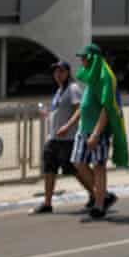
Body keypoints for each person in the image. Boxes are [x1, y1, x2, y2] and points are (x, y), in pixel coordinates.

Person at [60, 43, 128, 219]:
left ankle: (99, 205)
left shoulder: (105, 78)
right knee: (78, 163)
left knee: (99, 167)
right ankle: (104, 195)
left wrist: (97, 134)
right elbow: (83, 107)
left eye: (84, 58)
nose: (82, 61)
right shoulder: (91, 79)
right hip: (83, 129)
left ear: (94, 59)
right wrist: (68, 125)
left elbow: (107, 107)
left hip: (98, 132)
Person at [29, 60, 96, 215]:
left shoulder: (72, 89)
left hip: (68, 138)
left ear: (67, 73)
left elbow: (79, 110)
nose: (58, 75)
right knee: (49, 168)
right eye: (55, 72)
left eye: (61, 71)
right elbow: (58, 111)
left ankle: (96, 194)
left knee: (75, 170)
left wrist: (67, 126)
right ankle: (47, 203)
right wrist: (47, 113)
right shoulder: (59, 91)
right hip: (53, 138)